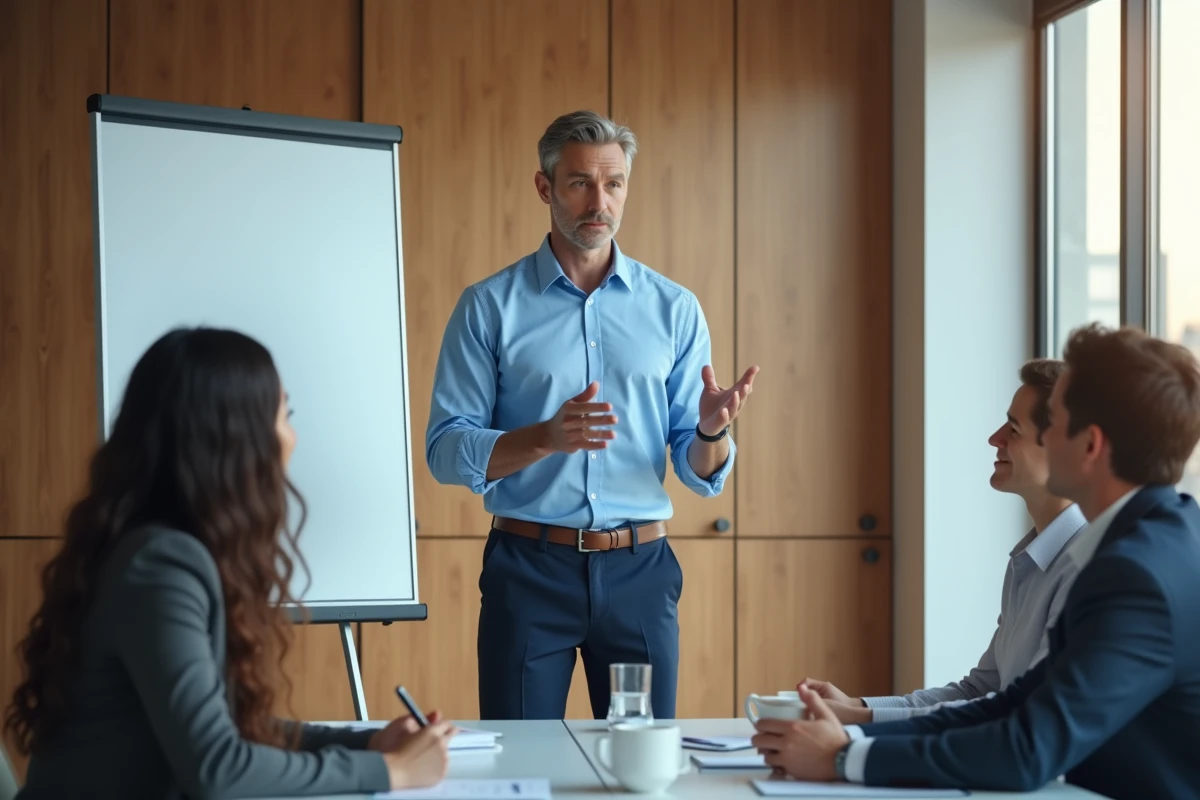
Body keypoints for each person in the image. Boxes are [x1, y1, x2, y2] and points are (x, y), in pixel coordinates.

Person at [750, 324, 1200, 800]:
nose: (1033, 436)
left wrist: (843, 758)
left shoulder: (1135, 576)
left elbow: (1027, 750)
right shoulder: (1152, 542)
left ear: (1089, 445)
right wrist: (853, 739)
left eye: (1053, 422)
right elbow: (1011, 704)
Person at [4, 328, 455, 798]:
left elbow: (233, 732)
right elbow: (219, 769)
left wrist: (370, 746)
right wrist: (391, 773)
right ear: (237, 440)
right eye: (286, 415)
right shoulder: (159, 568)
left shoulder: (162, 551)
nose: (293, 439)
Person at [425, 110, 758, 721]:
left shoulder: (675, 310)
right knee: (519, 770)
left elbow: (698, 466)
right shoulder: (488, 307)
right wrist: (544, 439)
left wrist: (712, 430)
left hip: (640, 571)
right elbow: (446, 450)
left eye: (615, 183)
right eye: (580, 182)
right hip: (528, 571)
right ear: (545, 187)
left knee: (640, 771)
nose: (598, 201)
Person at [803, 359, 1087, 724]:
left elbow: (1021, 711)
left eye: (1014, 429)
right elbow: (980, 691)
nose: (994, 438)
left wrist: (861, 723)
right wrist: (858, 708)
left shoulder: (1083, 567)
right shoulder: (1029, 561)